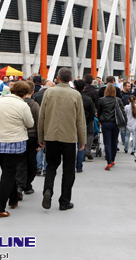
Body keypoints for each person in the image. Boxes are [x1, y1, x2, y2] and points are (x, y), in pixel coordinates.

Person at [0, 81, 34, 218]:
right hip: (15, 141)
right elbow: (30, 123)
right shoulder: (23, 105)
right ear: (24, 93)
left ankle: (14, 198)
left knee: (7, 171)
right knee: (9, 174)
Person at [38, 67, 86, 211]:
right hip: (69, 137)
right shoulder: (75, 95)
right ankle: (64, 201)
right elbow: (80, 120)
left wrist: (41, 136)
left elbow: (42, 116)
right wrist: (82, 139)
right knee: (68, 169)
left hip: (51, 135)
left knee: (51, 165)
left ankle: (48, 190)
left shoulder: (49, 93)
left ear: (57, 78)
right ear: (71, 79)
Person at [16, 80, 40, 198]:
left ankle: (19, 185)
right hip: (32, 135)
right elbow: (38, 123)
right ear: (33, 91)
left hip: (19, 135)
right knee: (31, 161)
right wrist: (40, 140)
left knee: (21, 161)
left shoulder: (17, 104)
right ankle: (27, 184)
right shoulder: (34, 105)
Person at [97, 83, 127, 170]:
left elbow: (99, 112)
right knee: (114, 142)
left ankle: (109, 161)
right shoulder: (118, 100)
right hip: (115, 123)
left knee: (107, 142)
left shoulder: (101, 100)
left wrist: (100, 120)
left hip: (106, 123)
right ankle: (113, 159)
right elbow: (123, 112)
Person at [74, 80, 95, 173]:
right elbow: (92, 113)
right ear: (84, 88)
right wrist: (87, 121)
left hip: (72, 123)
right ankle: (79, 165)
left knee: (71, 144)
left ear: (75, 87)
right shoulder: (88, 99)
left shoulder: (72, 98)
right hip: (84, 123)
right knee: (81, 143)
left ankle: (71, 163)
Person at [120, 81, 135, 153]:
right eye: (128, 86)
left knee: (127, 135)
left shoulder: (131, 94)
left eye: (130, 86)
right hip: (130, 119)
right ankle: (132, 149)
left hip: (128, 118)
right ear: (124, 86)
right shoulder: (121, 94)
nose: (129, 87)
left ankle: (126, 147)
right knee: (124, 131)